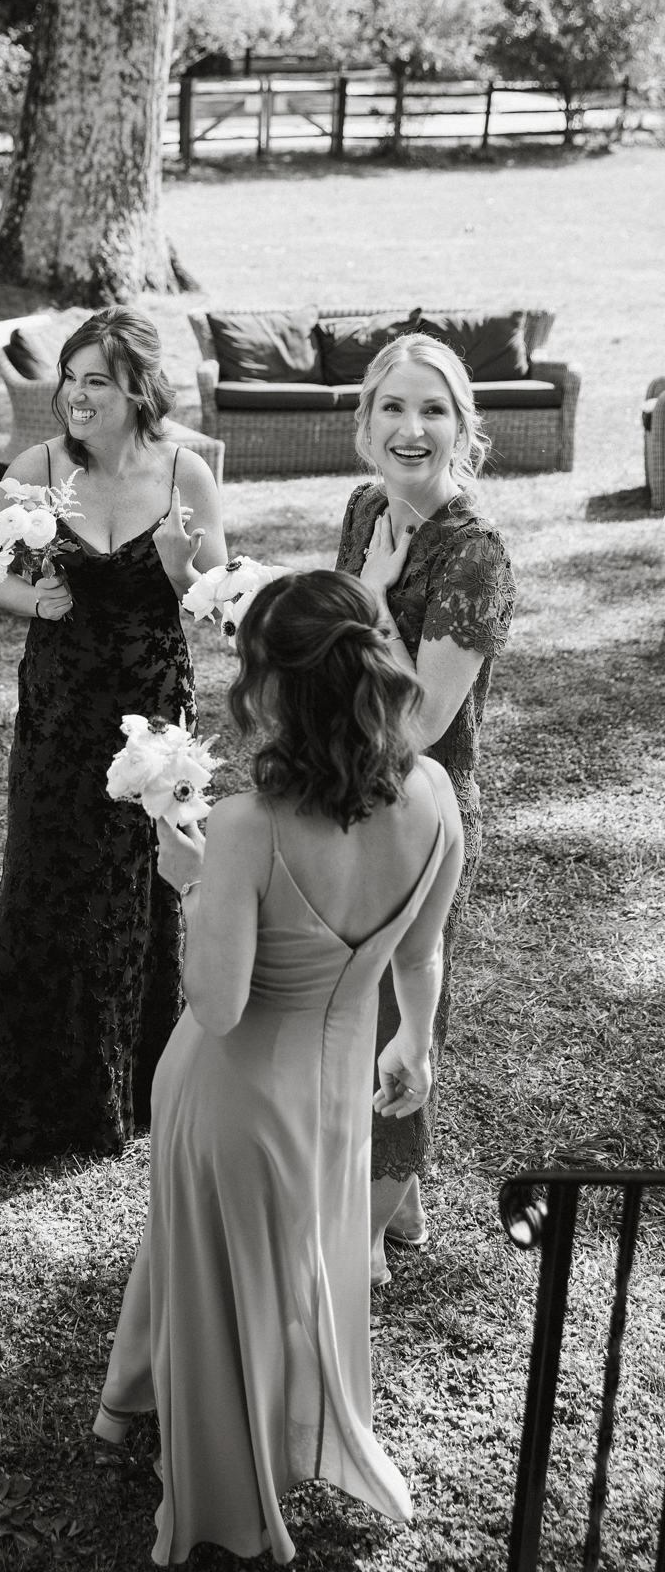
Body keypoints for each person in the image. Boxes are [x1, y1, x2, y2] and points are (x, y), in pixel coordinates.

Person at [94, 569, 464, 1566]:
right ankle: (165, 1398)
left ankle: (219, 1490)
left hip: (233, 1098)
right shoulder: (433, 793)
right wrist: (413, 1041)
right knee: (293, 1264)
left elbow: (216, 1006)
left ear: (271, 687)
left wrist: (188, 882)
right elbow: (423, 953)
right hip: (337, 1089)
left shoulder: (247, 828)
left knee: (217, 1269)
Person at [0, 306, 227, 1194]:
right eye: (69, 378)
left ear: (138, 388)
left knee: (141, 893)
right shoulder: (36, 469)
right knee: (39, 886)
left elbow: (212, 607)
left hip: (152, 715)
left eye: (95, 380)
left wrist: (184, 573)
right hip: (60, 709)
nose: (73, 395)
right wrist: (38, 604)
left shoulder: (188, 470)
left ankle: (131, 1093)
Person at [336, 333, 516, 1283]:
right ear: (366, 423)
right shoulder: (367, 506)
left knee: (398, 1018)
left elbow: (429, 715)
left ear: (461, 427)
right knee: (355, 1009)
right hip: (348, 789)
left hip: (423, 808)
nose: (412, 429)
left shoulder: (475, 552)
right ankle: (397, 1203)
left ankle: (365, 1232)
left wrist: (368, 600)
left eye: (433, 409)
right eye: (393, 409)